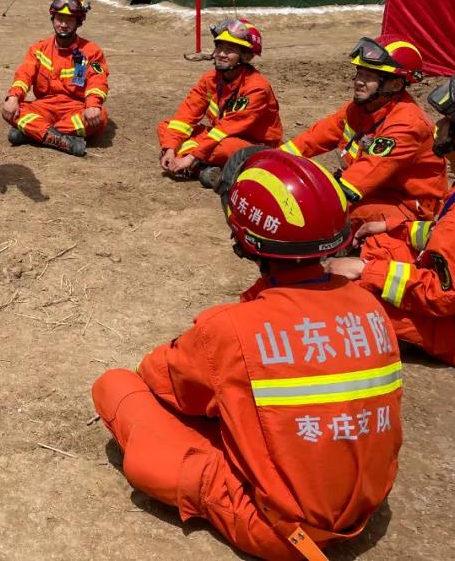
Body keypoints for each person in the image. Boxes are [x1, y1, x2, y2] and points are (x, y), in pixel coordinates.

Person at [92, 150, 403, 560]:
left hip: (281, 529)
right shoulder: (368, 307)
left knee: (115, 387)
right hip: (364, 502)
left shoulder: (234, 328)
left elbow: (161, 379)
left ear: (244, 237)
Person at [330, 74, 455, 368]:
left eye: (451, 123)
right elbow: (450, 239)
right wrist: (396, 229)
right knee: (380, 242)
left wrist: (366, 270)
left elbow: (444, 295)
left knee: (346, 297)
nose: (438, 126)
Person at [280, 36, 446, 230]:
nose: (359, 81)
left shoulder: (407, 124)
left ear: (395, 85)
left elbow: (370, 170)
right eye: (359, 72)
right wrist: (276, 158)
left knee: (331, 214)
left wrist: (317, 199)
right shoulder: (361, 108)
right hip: (375, 189)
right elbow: (315, 138)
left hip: (406, 205)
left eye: (369, 76)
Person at [157, 18, 282, 186]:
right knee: (167, 127)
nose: (221, 54)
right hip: (220, 135)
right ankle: (199, 168)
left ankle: (193, 165)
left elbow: (227, 128)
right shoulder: (210, 79)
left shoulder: (257, 87)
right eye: (219, 47)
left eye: (229, 50)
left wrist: (191, 156)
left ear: (246, 56)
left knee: (221, 148)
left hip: (254, 144)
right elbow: (186, 115)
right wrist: (170, 149)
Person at [2, 0, 109, 156]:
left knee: (100, 117)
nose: (63, 25)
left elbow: (98, 79)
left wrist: (93, 105)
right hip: (43, 107)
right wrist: (13, 97)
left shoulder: (92, 52)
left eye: (69, 20)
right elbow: (24, 75)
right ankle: (62, 141)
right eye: (60, 19)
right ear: (53, 19)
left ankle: (35, 133)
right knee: (11, 111)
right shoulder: (38, 49)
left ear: (78, 22)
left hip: (75, 108)